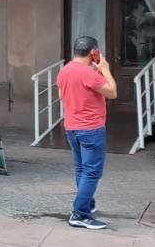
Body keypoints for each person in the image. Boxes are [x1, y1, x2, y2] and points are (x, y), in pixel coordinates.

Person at [56, 36, 117, 230]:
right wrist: (105, 69)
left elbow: (61, 96)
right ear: (94, 53)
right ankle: (80, 213)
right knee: (91, 172)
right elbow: (112, 92)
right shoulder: (89, 73)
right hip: (91, 128)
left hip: (72, 127)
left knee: (81, 169)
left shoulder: (64, 71)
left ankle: (87, 205)